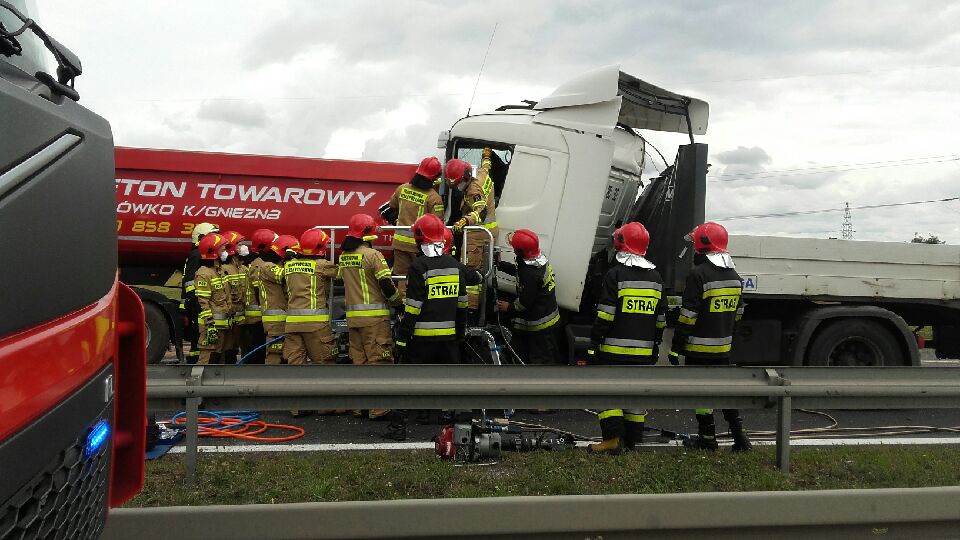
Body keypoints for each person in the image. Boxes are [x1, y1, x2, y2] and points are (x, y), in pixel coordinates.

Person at [384, 214, 469, 440]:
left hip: (421, 338)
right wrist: (460, 333)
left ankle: (398, 428)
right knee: (451, 384)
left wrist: (402, 338)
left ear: (419, 238)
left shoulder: (419, 266)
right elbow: (462, 304)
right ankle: (454, 432)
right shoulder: (455, 265)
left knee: (407, 382)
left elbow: (412, 307)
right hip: (449, 339)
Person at [670, 221, 751, 452]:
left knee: (701, 395)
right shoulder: (735, 277)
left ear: (703, 246)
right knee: (726, 393)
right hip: (723, 349)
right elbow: (739, 312)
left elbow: (688, 316)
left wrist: (676, 347)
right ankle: (740, 438)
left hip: (698, 349)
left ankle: (707, 439)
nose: (694, 250)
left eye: (696, 245)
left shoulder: (698, 275)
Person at [586, 222, 666, 454]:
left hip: (613, 350)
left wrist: (594, 341)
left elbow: (605, 314)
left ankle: (612, 439)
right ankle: (631, 441)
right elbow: (661, 319)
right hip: (643, 353)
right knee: (634, 394)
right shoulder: (656, 277)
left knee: (606, 391)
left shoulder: (615, 274)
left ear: (621, 244)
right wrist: (655, 344)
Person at [338, 214, 402, 420]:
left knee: (359, 363)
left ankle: (360, 408)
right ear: (367, 234)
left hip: (353, 319)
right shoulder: (373, 255)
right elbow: (386, 284)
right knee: (378, 362)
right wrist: (397, 303)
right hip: (374, 319)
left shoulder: (344, 256)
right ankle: (379, 409)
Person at [381, 156, 444, 298]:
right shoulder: (434, 198)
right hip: (420, 246)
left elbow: (391, 208)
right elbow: (438, 224)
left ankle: (402, 309)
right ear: (435, 177)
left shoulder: (402, 189)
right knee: (421, 278)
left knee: (400, 277)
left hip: (400, 244)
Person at [496, 229, 561, 365]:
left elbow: (524, 304)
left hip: (540, 326)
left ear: (521, 252)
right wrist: (501, 265)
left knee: (539, 361)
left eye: (515, 248)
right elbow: (520, 272)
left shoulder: (530, 274)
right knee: (519, 351)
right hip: (545, 318)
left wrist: (508, 307)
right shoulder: (538, 260)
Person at [445, 149, 499, 311]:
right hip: (487, 233)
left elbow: (480, 211)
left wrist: (464, 220)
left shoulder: (473, 190)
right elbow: (486, 167)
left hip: (477, 235)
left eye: (457, 184)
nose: (457, 187)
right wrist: (487, 156)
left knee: (470, 273)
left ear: (464, 178)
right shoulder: (481, 174)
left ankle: (469, 311)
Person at [283, 228, 339, 366]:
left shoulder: (289, 265)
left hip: (292, 325)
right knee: (324, 364)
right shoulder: (321, 265)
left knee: (295, 366)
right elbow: (342, 274)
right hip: (315, 325)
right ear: (319, 247)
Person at [255, 234, 299, 365]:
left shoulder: (276, 265)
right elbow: (284, 275)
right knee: (275, 354)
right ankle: (271, 380)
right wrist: (294, 263)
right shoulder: (267, 267)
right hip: (274, 321)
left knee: (287, 352)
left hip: (283, 318)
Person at [181, 222, 218, 363]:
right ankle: (195, 364)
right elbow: (190, 282)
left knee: (198, 337)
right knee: (198, 336)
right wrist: (196, 301)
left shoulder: (198, 253)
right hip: (196, 302)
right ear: (201, 238)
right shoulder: (197, 255)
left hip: (195, 301)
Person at [193, 233, 232, 364]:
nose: (225, 252)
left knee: (218, 362)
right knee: (207, 359)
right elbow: (203, 303)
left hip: (223, 326)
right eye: (222, 249)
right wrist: (210, 326)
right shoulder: (204, 274)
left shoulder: (220, 271)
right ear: (213, 251)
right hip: (212, 327)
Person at [241, 228, 277, 364]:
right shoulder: (258, 265)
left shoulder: (255, 262)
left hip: (258, 316)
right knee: (257, 351)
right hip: (257, 317)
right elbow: (260, 289)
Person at [219, 231, 248, 363]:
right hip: (229, 318)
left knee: (241, 346)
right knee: (228, 348)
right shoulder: (224, 269)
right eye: (239, 244)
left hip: (242, 319)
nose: (243, 246)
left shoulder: (243, 268)